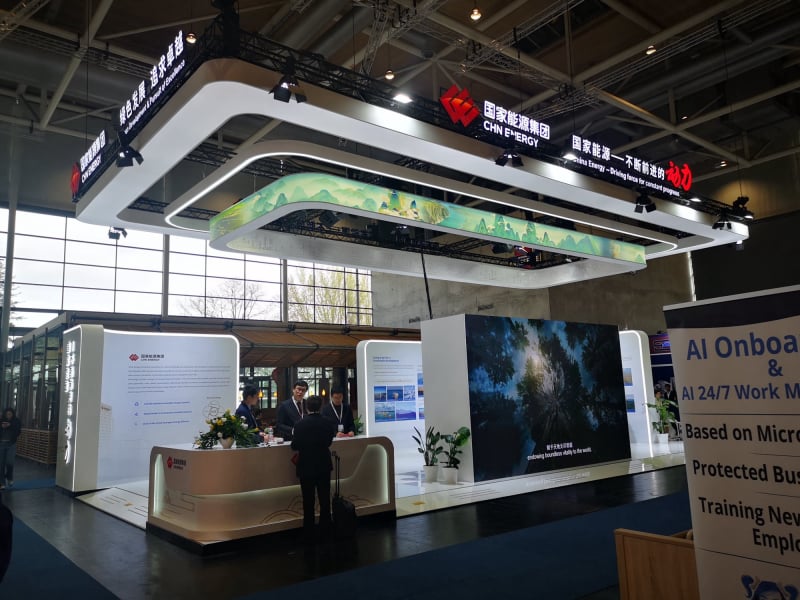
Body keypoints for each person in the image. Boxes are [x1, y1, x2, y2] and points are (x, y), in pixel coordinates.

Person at [290, 394, 336, 541]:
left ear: (306, 407)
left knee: (308, 500)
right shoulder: (327, 422)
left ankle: (309, 531)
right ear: (321, 406)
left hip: (306, 465)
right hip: (323, 464)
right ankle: (326, 529)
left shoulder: (299, 424)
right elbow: (329, 442)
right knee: (324, 498)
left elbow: (294, 445)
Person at [0, 408, 21, 489]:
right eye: (7, 414)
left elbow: (18, 432)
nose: (8, 416)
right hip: (1, 444)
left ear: (12, 414)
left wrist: (10, 425)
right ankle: (2, 483)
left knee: (10, 462)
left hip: (11, 444)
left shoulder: (16, 421)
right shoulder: (1, 420)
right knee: (1, 464)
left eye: (10, 414)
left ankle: (9, 477)